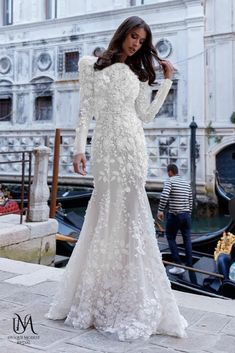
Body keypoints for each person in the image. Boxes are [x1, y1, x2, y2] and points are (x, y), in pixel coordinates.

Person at [46, 16, 187, 341]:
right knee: (103, 214)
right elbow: (84, 112)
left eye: (142, 40)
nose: (137, 43)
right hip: (107, 147)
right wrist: (78, 150)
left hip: (132, 148)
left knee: (132, 218)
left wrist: (164, 81)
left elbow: (146, 116)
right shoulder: (90, 65)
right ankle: (97, 291)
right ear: (123, 33)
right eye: (134, 37)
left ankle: (129, 294)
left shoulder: (140, 75)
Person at [157, 164, 193, 275]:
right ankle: (189, 264)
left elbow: (164, 195)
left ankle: (178, 266)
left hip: (175, 215)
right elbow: (190, 199)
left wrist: (160, 210)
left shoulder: (170, 181)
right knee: (187, 239)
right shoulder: (186, 182)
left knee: (170, 237)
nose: (168, 174)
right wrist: (188, 213)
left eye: (168, 172)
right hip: (186, 215)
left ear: (170, 172)